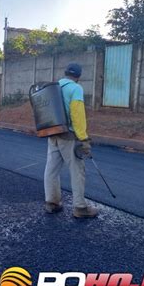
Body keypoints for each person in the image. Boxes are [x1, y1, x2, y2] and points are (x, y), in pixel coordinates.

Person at [43, 63, 98, 218]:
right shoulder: (75, 88)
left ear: (65, 73)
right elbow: (77, 115)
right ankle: (80, 208)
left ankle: (52, 203)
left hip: (52, 134)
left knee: (51, 169)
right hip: (68, 137)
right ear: (78, 76)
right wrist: (83, 139)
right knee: (77, 171)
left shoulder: (54, 86)